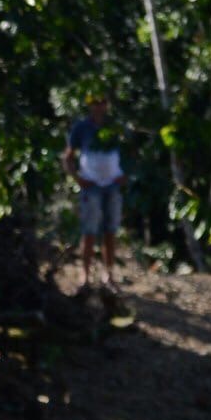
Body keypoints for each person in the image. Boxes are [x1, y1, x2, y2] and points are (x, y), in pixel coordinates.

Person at [62, 94, 125, 289]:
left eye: (102, 102)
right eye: (95, 103)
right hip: (91, 185)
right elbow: (68, 157)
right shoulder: (81, 128)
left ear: (107, 104)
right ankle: (85, 275)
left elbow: (131, 154)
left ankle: (109, 274)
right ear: (90, 105)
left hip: (112, 185)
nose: (99, 106)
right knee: (89, 231)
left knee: (110, 231)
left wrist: (125, 175)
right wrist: (77, 178)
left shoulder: (114, 128)